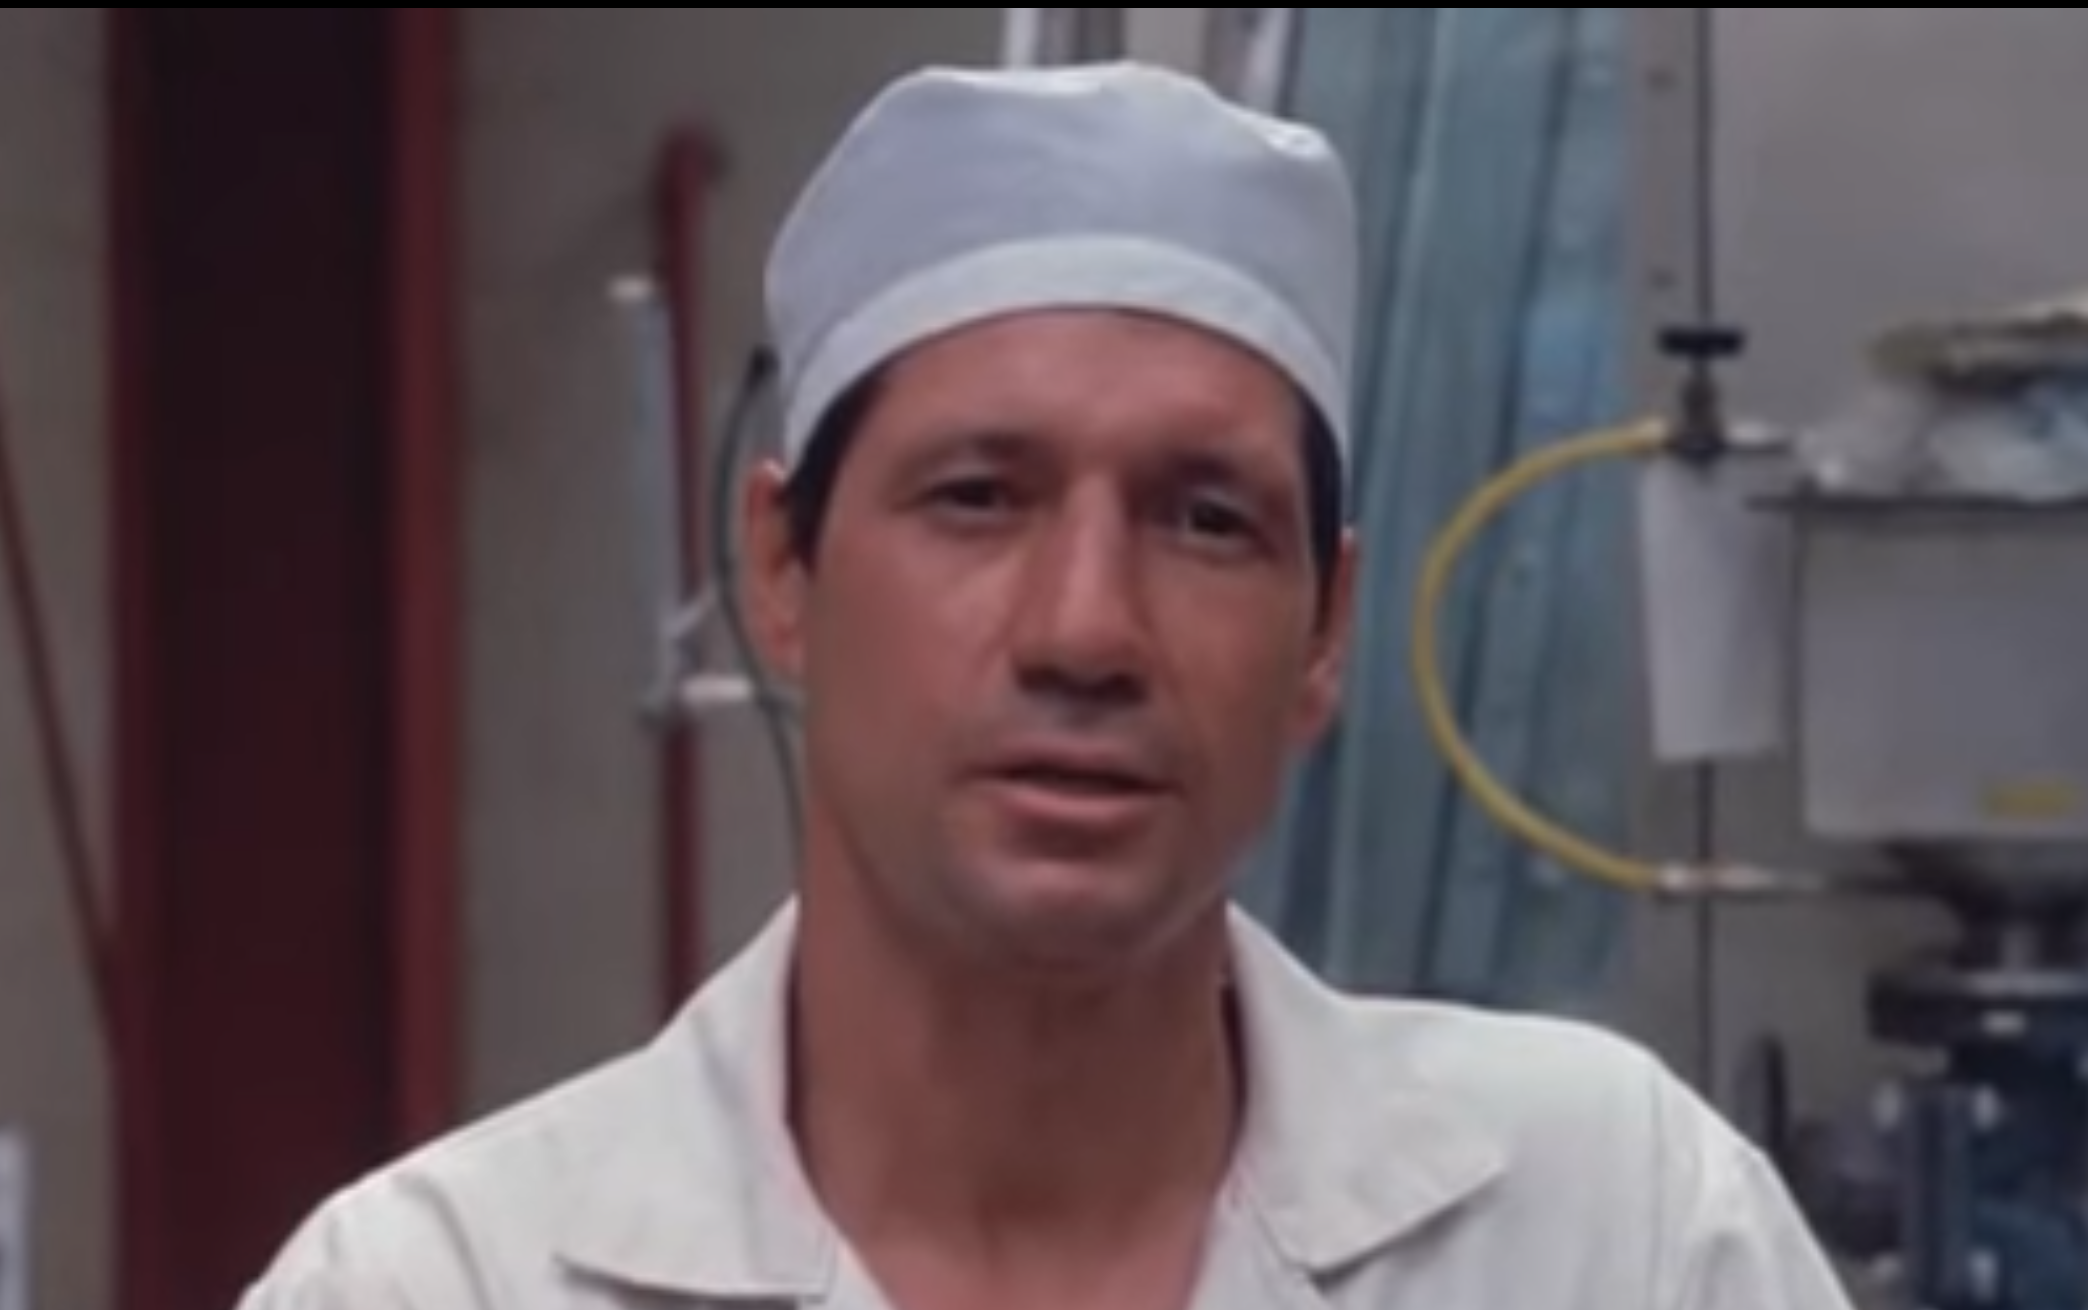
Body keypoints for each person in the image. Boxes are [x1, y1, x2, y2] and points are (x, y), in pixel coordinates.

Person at [237, 59, 1855, 1310]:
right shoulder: (439, 1280)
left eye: (1205, 519)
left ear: (1324, 628)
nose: (1086, 627)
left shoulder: (1618, 1230)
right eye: (978, 497)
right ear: (782, 570)